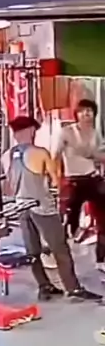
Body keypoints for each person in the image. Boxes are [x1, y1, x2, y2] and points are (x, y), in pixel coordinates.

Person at [2, 115, 101, 302]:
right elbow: (56, 182)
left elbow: (8, 186)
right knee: (59, 248)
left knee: (32, 250)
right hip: (42, 207)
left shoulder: (6, 156)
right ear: (31, 130)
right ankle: (73, 289)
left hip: (21, 207)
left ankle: (44, 286)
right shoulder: (40, 153)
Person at [54, 98, 105, 268]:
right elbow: (55, 156)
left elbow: (99, 155)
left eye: (89, 111)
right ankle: (58, 257)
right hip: (73, 180)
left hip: (92, 178)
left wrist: (95, 156)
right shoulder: (67, 132)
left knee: (103, 221)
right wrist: (56, 178)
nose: (86, 114)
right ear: (77, 114)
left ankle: (101, 260)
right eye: (83, 111)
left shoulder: (95, 133)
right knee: (69, 223)